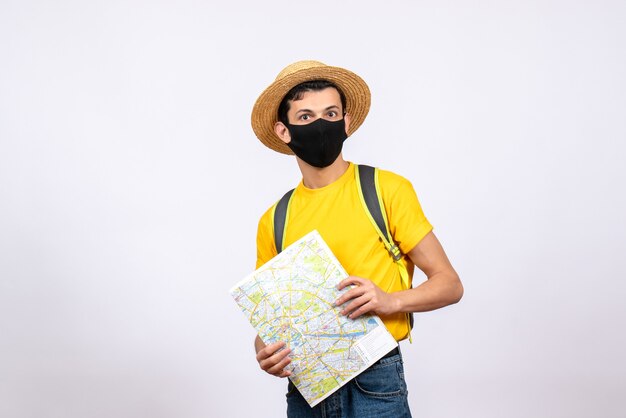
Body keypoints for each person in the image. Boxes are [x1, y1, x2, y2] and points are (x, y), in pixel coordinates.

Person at [250, 60, 463, 417]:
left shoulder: (385, 189)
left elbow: (450, 284)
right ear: (284, 131)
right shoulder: (274, 219)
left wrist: (389, 301)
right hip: (306, 387)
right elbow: (269, 326)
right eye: (305, 117)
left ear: (346, 123)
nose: (321, 125)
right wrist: (266, 353)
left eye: (331, 113)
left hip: (375, 378)